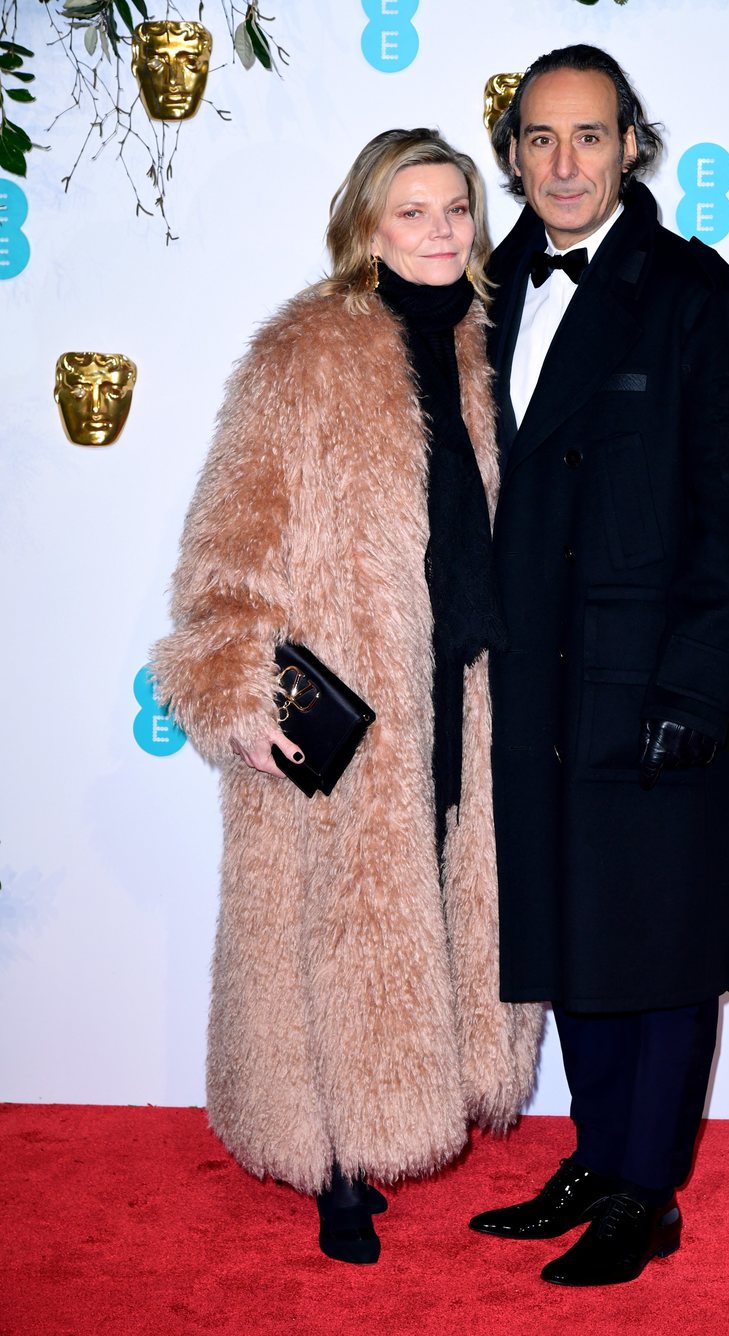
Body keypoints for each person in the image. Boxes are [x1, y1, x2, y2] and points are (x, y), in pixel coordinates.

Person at [151, 128, 542, 1266]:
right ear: (365, 224)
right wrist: (233, 677)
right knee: (322, 927)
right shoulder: (306, 350)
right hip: (341, 701)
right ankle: (324, 1160)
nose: (438, 232)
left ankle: (394, 1115)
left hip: (461, 685)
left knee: (422, 908)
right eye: (411, 211)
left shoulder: (484, 345)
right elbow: (228, 538)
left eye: (456, 210)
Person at [467, 46, 729, 1287]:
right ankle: (596, 1157)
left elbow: (727, 512)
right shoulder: (480, 291)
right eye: (539, 139)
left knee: (657, 938)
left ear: (633, 145)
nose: (563, 163)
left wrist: (696, 688)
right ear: (514, 154)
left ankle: (649, 1191)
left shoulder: (698, 295)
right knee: (573, 930)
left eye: (588, 136)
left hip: (653, 682)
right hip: (533, 680)